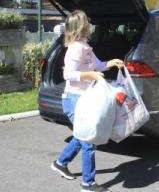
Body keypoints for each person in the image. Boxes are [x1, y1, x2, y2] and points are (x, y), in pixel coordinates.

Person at [50, 10, 124, 192]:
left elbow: (98, 65)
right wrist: (89, 75)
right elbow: (68, 74)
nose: (90, 24)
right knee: (88, 139)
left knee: (81, 135)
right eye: (87, 22)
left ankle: (61, 163)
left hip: (84, 99)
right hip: (74, 99)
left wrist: (110, 63)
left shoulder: (85, 46)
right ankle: (88, 183)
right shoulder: (75, 48)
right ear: (81, 26)